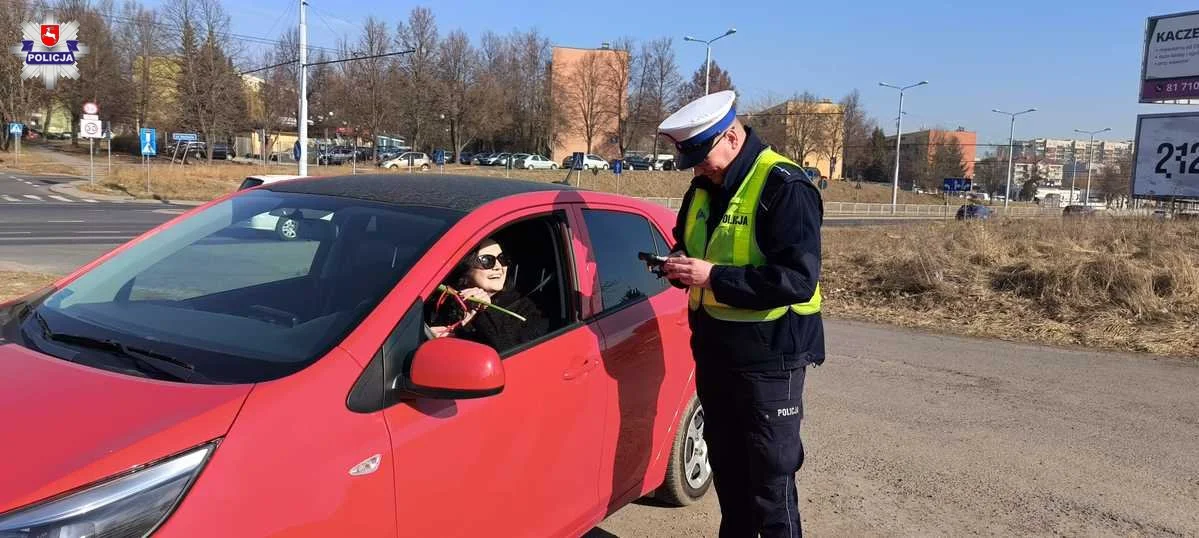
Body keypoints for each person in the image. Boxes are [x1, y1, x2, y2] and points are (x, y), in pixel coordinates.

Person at [657, 90, 824, 538]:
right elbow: (689, 245)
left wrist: (712, 276)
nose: (697, 167)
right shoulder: (703, 187)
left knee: (769, 484)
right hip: (716, 355)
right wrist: (679, 266)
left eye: (702, 155)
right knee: (729, 475)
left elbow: (795, 279)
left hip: (770, 361)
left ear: (732, 135)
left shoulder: (784, 186)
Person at [428, 238, 547, 352]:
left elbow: (508, 351)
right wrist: (430, 339)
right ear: (466, 268)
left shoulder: (527, 310)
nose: (498, 267)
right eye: (487, 260)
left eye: (502, 259)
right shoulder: (445, 301)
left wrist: (484, 312)